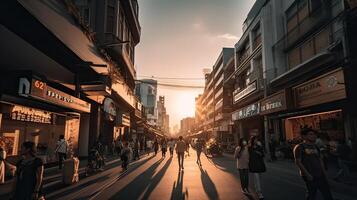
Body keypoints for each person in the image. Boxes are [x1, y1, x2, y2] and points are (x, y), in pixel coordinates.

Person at [294, 127, 334, 200]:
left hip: (320, 174)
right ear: (304, 136)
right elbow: (298, 162)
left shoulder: (316, 147)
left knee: (327, 194)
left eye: (314, 134)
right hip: (309, 174)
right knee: (312, 193)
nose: (313, 136)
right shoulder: (300, 147)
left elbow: (320, 160)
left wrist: (324, 173)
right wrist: (307, 175)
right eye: (310, 134)